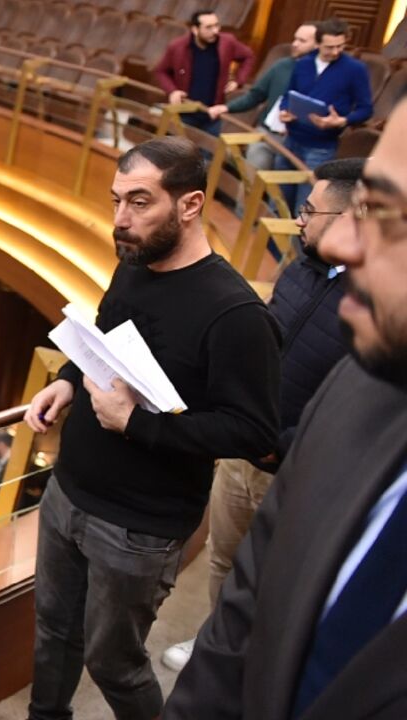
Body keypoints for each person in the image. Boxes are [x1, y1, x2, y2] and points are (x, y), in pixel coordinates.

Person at [22, 136, 280, 720]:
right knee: (53, 632)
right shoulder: (134, 263)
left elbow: (252, 432)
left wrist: (137, 424)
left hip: (138, 526)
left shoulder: (236, 315)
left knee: (114, 662)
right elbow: (108, 339)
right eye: (117, 200)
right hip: (68, 492)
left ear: (190, 205)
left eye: (139, 202)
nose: (120, 219)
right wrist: (68, 379)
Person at [166, 98, 407, 720]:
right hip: (247, 456)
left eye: (392, 216)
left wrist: (280, 445)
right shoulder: (366, 381)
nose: (348, 245)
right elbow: (244, 614)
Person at [162, 156, 362, 672]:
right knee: (223, 560)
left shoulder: (376, 303)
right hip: (240, 455)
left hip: (299, 474)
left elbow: (356, 404)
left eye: (310, 210)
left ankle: (252, 672)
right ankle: (214, 648)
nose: (298, 219)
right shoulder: (298, 270)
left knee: (273, 583)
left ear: (349, 218)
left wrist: (283, 446)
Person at [276, 17, 374, 212]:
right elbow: (288, 94)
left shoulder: (355, 69)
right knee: (278, 202)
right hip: (291, 141)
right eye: (330, 47)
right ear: (318, 43)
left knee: (304, 208)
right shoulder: (303, 63)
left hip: (320, 148)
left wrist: (342, 121)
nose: (335, 51)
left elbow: (366, 109)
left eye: (340, 46)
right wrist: (284, 110)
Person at [207, 22, 318, 170]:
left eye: (302, 41)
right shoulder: (282, 66)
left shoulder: (324, 75)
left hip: (297, 142)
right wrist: (226, 107)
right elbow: (255, 95)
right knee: (251, 178)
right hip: (266, 134)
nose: (295, 44)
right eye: (295, 39)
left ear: (318, 45)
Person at [153, 9, 255, 135]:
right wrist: (172, 91)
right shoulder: (177, 47)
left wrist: (238, 81)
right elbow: (161, 71)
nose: (215, 31)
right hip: (184, 113)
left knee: (209, 147)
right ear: (195, 30)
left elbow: (248, 56)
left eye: (217, 25)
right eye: (209, 27)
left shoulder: (227, 42)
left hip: (212, 115)